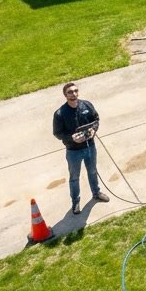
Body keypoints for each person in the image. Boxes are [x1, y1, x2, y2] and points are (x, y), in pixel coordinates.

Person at [52, 82, 110, 215]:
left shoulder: (87, 105)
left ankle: (96, 193)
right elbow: (57, 133)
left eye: (75, 91)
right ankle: (75, 201)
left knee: (93, 172)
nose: (74, 94)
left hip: (90, 147)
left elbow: (96, 119)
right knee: (74, 177)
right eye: (70, 92)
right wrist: (72, 138)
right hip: (73, 151)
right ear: (65, 95)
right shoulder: (60, 113)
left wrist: (93, 130)